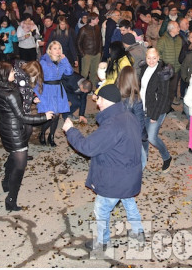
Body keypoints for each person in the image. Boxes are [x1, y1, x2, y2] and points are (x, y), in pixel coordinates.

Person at [62, 84, 145, 251]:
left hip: (116, 177)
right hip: (130, 173)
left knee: (101, 208)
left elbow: (88, 147)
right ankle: (138, 232)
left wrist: (71, 130)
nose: (97, 102)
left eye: (98, 99)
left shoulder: (112, 125)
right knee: (128, 200)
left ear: (106, 100)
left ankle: (102, 242)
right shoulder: (128, 116)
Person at [0, 62, 53, 211]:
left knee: (13, 155)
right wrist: (44, 117)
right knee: (20, 166)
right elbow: (22, 117)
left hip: (4, 127)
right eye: (12, 72)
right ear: (5, 75)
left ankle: (5, 182)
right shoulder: (12, 93)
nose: (14, 74)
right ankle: (11, 200)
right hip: (15, 131)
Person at [139, 47, 173, 172]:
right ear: (146, 58)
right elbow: (142, 88)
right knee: (143, 136)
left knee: (152, 137)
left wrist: (155, 115)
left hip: (157, 110)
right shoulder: (144, 68)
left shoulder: (162, 73)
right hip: (143, 108)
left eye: (154, 58)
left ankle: (167, 157)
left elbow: (164, 96)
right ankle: (143, 160)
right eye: (149, 58)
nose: (151, 61)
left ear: (158, 58)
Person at [36, 41, 73, 146]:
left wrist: (65, 59)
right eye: (55, 48)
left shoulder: (62, 61)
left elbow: (69, 72)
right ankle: (42, 132)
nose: (58, 51)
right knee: (50, 115)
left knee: (57, 115)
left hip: (58, 89)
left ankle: (51, 136)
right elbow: (37, 78)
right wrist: (36, 95)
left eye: (59, 48)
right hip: (47, 90)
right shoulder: (44, 62)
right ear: (50, 50)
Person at [115, 65, 146, 166]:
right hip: (131, 135)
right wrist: (141, 136)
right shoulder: (135, 99)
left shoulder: (114, 94)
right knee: (142, 161)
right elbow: (140, 121)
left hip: (116, 133)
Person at [156, 21, 182, 106]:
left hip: (176, 69)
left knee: (172, 90)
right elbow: (158, 53)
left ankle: (168, 106)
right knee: (164, 90)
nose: (179, 29)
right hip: (166, 70)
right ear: (172, 29)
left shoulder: (179, 39)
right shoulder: (163, 40)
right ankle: (161, 105)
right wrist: (163, 65)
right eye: (177, 27)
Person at [77, 13, 102, 87]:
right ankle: (82, 88)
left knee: (94, 72)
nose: (98, 20)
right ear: (92, 20)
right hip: (87, 54)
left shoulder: (97, 28)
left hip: (96, 54)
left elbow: (100, 40)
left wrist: (100, 52)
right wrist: (83, 54)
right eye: (97, 19)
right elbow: (78, 43)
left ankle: (92, 87)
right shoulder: (83, 30)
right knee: (84, 73)